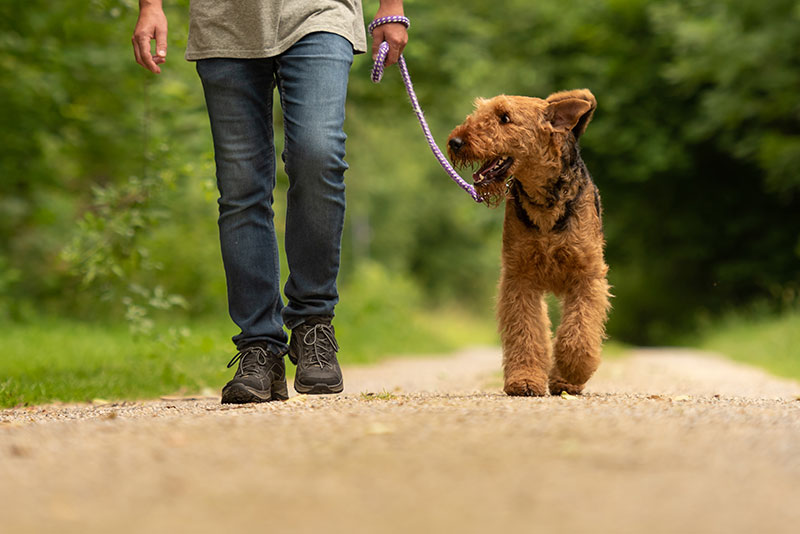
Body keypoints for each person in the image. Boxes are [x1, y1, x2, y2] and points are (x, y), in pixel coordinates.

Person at [132, 0, 408, 403]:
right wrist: (150, 5)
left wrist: (391, 6)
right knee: (241, 188)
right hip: (223, 23)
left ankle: (314, 321)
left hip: (320, 12)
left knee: (318, 154)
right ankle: (259, 347)